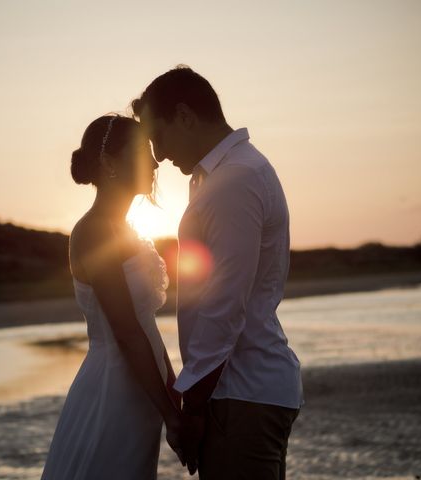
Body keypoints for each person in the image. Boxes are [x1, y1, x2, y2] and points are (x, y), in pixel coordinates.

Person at [133, 66, 304, 479]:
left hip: (240, 392)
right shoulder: (226, 174)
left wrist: (192, 408)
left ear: (186, 116)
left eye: (158, 138)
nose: (158, 156)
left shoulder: (236, 180)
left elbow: (225, 302)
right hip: (242, 389)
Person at [40, 115, 183, 480]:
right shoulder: (94, 232)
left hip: (141, 389)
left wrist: (173, 393)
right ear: (108, 163)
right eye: (141, 153)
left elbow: (145, 325)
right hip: (113, 391)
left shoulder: (125, 229)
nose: (154, 163)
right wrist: (170, 414)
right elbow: (127, 332)